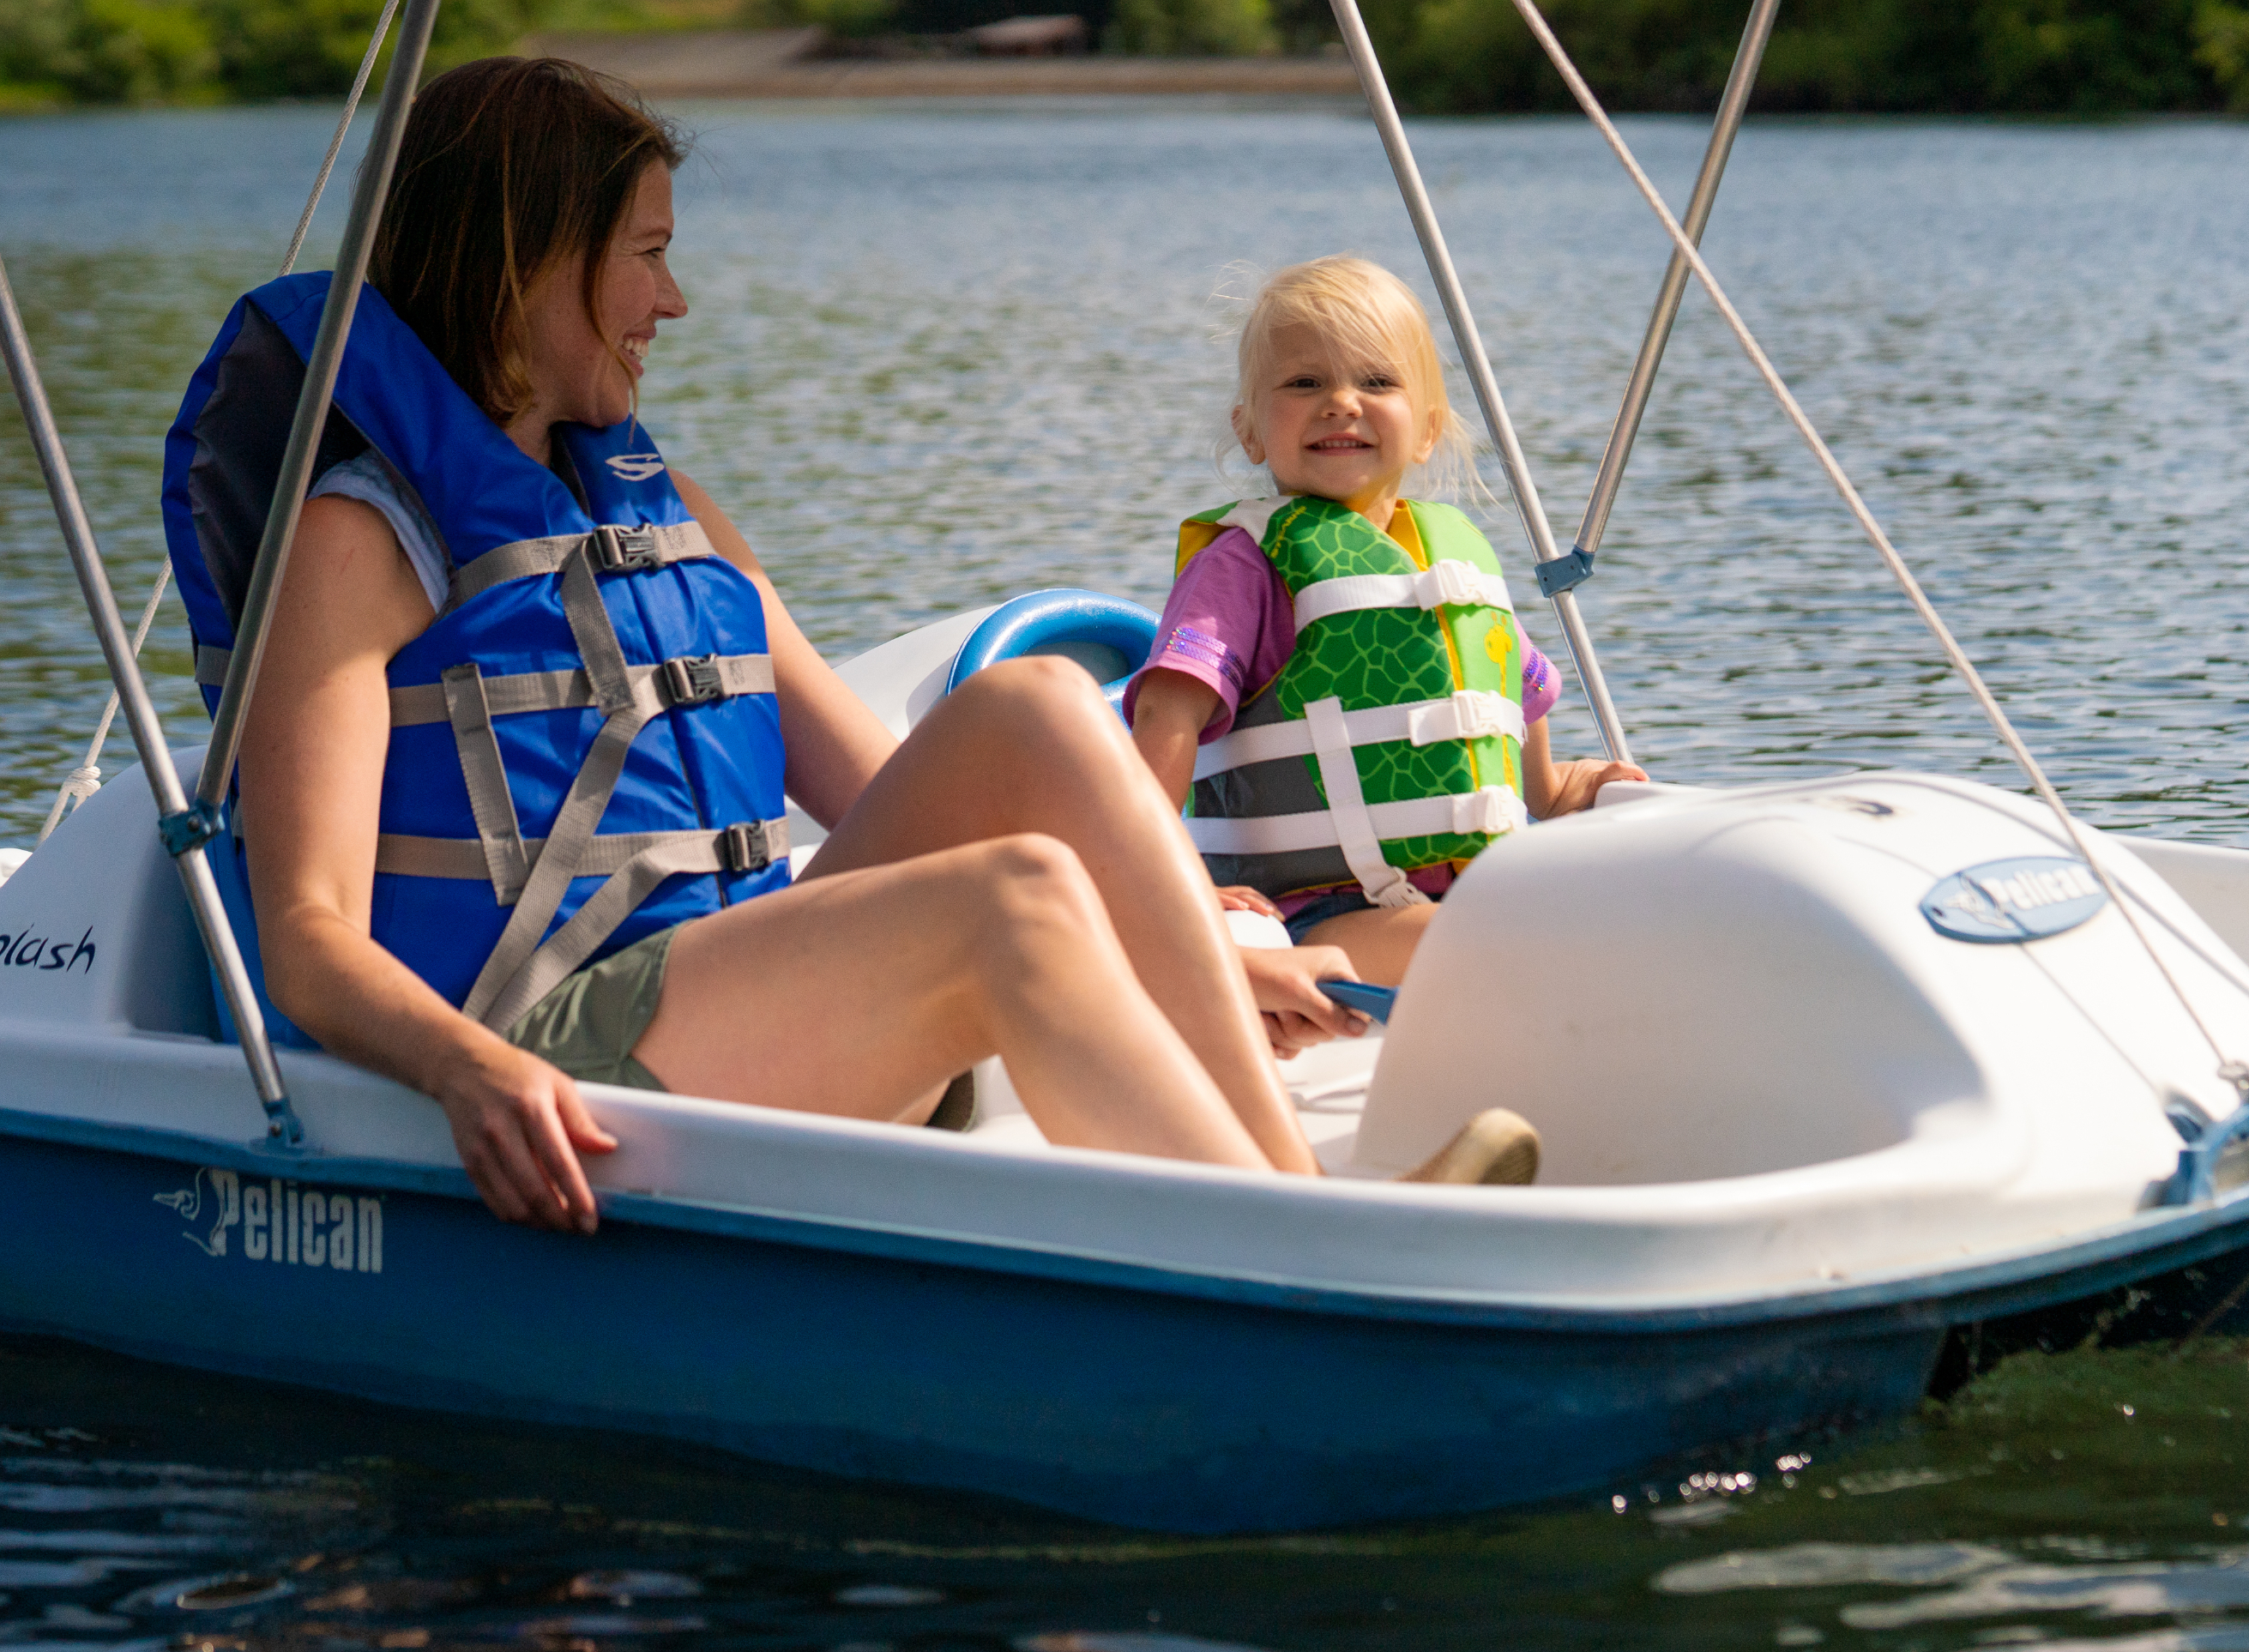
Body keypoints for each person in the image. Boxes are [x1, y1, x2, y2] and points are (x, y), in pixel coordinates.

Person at [165, 60, 1532, 1234]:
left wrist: (1204, 951)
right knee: (1011, 898)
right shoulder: (359, 542)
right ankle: (1297, 1254)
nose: (674, 300)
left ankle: (1302, 1203)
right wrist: (469, 1075)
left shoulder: (664, 513)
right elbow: (304, 942)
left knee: (1040, 707)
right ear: (527, 258)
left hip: (751, 1003)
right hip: (553, 1058)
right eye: (646, 253)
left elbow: (918, 789)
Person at [1126, 257, 1645, 993]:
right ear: (1248, 431)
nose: (1341, 402)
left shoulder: (1448, 558)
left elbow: (1508, 692)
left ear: (1428, 429)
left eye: (1376, 382)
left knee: (1632, 920)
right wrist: (1162, 882)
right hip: (1311, 916)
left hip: (1457, 901)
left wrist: (1554, 794)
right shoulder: (1244, 567)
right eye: (1304, 383)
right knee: (1516, 945)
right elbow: (1163, 711)